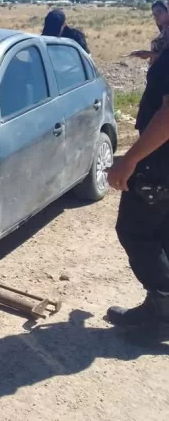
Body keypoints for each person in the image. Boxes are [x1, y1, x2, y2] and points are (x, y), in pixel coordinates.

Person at [106, 39, 169, 328]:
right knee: (162, 231)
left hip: (158, 162)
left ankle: (162, 313)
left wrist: (130, 159)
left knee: (136, 231)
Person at [126, 0, 169, 66]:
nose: (156, 16)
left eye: (159, 12)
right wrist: (143, 53)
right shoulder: (164, 30)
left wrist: (148, 54)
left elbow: (166, 56)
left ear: (167, 12)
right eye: (154, 14)